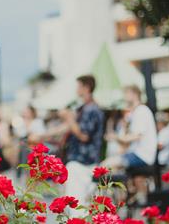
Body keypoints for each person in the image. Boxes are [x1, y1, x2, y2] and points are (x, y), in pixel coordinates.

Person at [103, 85, 157, 205]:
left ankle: (109, 201)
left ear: (134, 94)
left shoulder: (141, 110)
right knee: (113, 166)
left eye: (126, 94)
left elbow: (136, 136)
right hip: (137, 154)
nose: (124, 97)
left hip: (142, 156)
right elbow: (127, 141)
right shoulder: (136, 112)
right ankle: (125, 196)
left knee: (105, 166)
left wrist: (115, 137)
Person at [64, 75, 104, 217]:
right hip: (80, 162)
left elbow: (84, 136)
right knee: (79, 206)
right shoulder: (84, 108)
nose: (76, 89)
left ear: (86, 87)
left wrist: (69, 119)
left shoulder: (91, 109)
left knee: (77, 207)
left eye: (78, 86)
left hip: (83, 162)